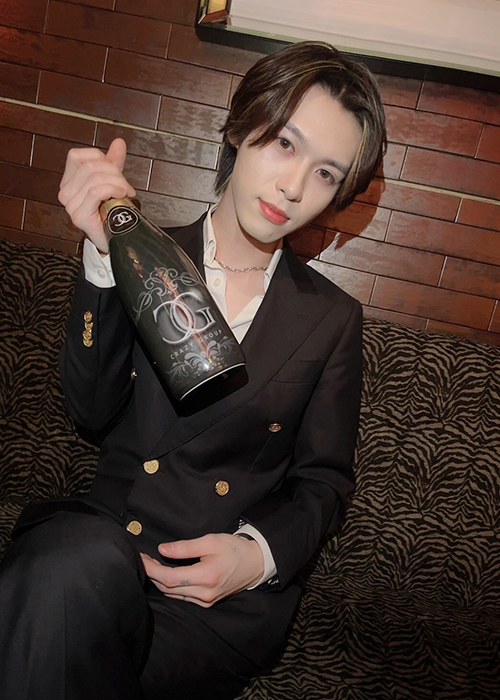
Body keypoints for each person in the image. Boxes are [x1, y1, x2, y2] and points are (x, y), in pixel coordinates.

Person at [0, 42, 386, 700]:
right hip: (102, 547)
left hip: (209, 606)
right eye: (285, 144)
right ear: (240, 127)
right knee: (68, 573)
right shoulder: (141, 254)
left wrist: (255, 555)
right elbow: (89, 412)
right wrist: (102, 260)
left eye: (326, 173)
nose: (294, 187)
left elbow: (324, 482)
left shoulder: (330, 319)